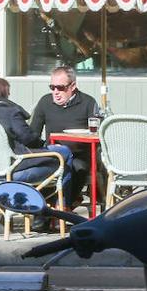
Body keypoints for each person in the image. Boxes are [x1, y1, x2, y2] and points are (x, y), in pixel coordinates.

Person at [0, 76, 71, 228]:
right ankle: (57, 213)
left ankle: (43, 213)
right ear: (4, 92)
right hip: (16, 171)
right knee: (64, 153)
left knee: (57, 156)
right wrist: (43, 145)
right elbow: (29, 138)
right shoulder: (10, 112)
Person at [27, 65, 96, 207]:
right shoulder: (45, 102)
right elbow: (33, 133)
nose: (56, 92)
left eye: (61, 88)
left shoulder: (88, 102)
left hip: (79, 154)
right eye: (52, 87)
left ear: (73, 86)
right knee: (42, 168)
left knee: (76, 167)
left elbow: (97, 134)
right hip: (52, 154)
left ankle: (63, 208)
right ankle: (45, 211)